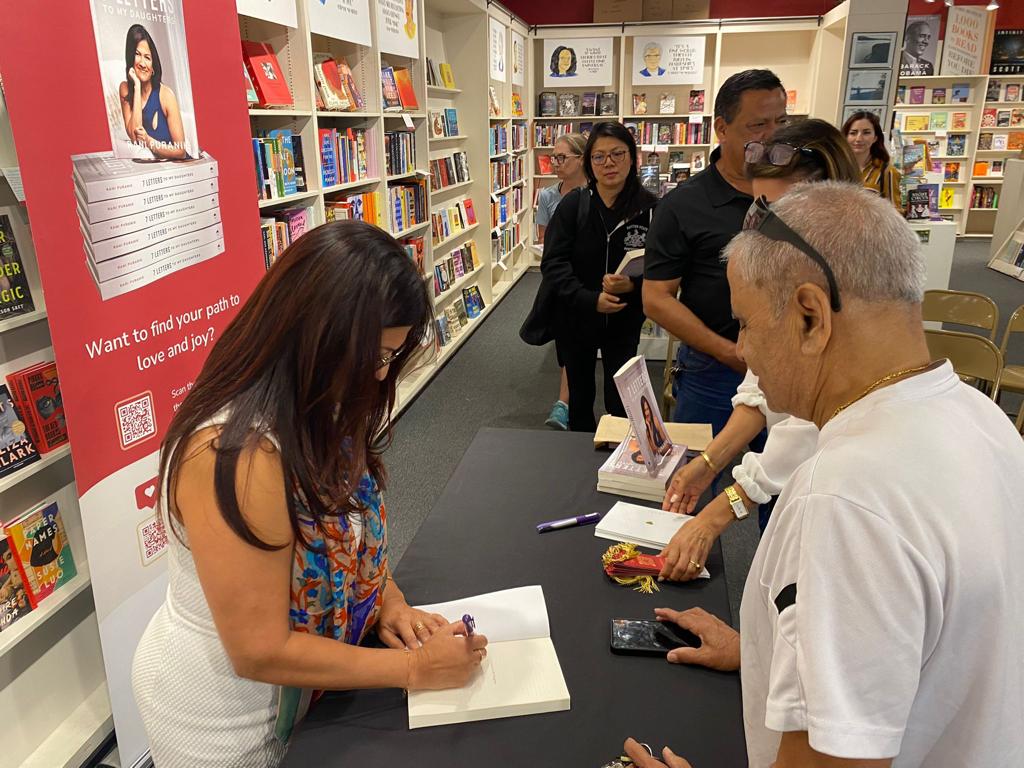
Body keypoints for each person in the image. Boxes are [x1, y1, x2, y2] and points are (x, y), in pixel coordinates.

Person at [625, 181, 1024, 768]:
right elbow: (929, 644)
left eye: (746, 324)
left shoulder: (844, 496)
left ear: (811, 317)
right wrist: (769, 654)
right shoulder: (982, 417)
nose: (743, 351)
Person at [131, 221, 488, 766]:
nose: (379, 376)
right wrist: (415, 668)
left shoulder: (321, 403)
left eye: (389, 357)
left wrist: (386, 599)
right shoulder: (236, 456)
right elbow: (259, 650)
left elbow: (349, 532)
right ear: (316, 334)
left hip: (305, 694)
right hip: (227, 719)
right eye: (374, 354)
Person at [659, 119, 860, 581]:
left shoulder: (846, 291)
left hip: (836, 498)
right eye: (760, 208)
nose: (765, 225)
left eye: (777, 212)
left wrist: (723, 507)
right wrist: (711, 462)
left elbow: (805, 428)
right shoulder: (800, 271)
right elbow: (762, 386)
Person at [643, 69, 787, 445]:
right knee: (696, 468)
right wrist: (728, 353)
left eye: (781, 122)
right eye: (758, 125)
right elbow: (656, 299)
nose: (773, 135)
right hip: (713, 368)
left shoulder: (800, 192)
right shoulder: (683, 205)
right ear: (722, 128)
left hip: (790, 364)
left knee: (787, 474)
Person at [540, 121, 657, 432]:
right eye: (599, 156)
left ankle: (618, 453)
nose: (609, 163)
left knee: (621, 400)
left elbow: (663, 267)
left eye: (618, 154)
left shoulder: (650, 209)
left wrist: (633, 285)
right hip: (576, 315)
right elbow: (553, 263)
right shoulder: (574, 205)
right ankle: (578, 455)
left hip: (625, 317)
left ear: (632, 158)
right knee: (579, 398)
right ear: (589, 162)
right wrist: (589, 299)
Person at [536, 133, 588, 430]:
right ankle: (565, 403)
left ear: (581, 159)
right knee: (567, 342)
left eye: (561, 157)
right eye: (553, 157)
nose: (555, 163)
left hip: (588, 279)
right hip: (560, 279)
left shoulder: (596, 193)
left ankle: (568, 403)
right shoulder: (547, 196)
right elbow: (546, 240)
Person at [118, 24, 188, 160]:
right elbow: (134, 137)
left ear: (153, 67)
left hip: (177, 166)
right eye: (137, 54)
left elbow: (181, 153)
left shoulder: (166, 95)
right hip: (151, 168)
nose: (142, 63)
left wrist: (148, 140)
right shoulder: (125, 89)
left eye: (147, 57)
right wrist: (137, 86)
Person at [843, 110, 902, 208]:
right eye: (853, 133)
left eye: (866, 133)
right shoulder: (836, 167)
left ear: (875, 138)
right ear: (845, 137)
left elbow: (895, 211)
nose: (858, 139)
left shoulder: (887, 172)